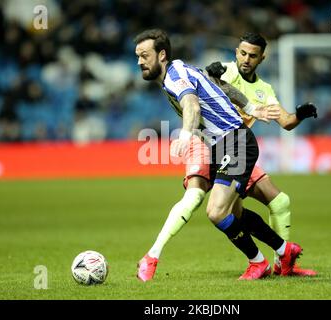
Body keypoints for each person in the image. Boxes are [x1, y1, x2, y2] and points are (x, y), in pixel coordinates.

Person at [134, 29, 304, 281]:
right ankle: (284, 249)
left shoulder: (174, 77)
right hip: (223, 146)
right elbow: (218, 85)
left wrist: (185, 135)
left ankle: (258, 263)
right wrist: (250, 108)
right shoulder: (182, 68)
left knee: (216, 211)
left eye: (144, 55)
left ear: (161, 55)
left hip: (235, 142)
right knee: (234, 215)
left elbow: (191, 105)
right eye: (137, 56)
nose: (139, 62)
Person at [205, 32, 318, 276]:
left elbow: (286, 122)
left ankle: (281, 263)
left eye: (253, 56)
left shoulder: (263, 90)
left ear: (262, 58)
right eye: (243, 53)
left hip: (238, 151)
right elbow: (203, 81)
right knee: (229, 212)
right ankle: (276, 254)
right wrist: (209, 72)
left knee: (277, 201)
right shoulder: (223, 71)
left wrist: (300, 114)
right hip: (215, 150)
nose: (246, 59)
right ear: (236, 52)